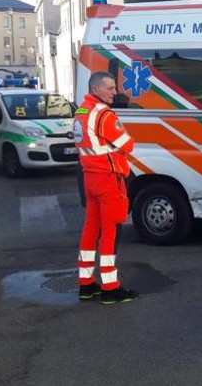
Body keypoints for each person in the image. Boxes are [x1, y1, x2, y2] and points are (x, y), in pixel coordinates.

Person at [74, 71, 139, 305]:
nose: (114, 92)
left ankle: (86, 284)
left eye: (114, 88)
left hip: (89, 177)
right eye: (110, 88)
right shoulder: (104, 114)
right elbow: (128, 144)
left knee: (91, 229)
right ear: (96, 90)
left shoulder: (81, 111)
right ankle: (111, 288)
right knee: (110, 230)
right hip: (109, 178)